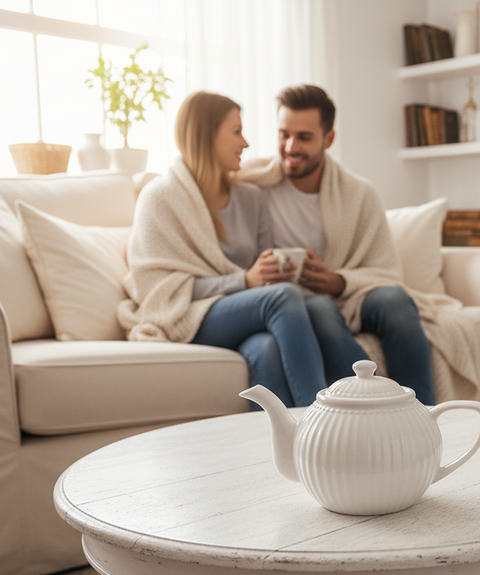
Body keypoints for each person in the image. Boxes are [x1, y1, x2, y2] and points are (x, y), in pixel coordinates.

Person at [238, 84, 480, 406]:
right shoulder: (252, 184)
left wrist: (336, 281)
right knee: (320, 309)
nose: (290, 147)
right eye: (284, 134)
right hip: (297, 304)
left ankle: (423, 414)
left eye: (304, 137)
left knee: (395, 301)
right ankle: (383, 405)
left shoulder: (359, 193)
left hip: (350, 294)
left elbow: (386, 271)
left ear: (329, 139)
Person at [117, 90, 327, 408]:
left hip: (245, 315)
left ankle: (279, 453)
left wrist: (277, 270)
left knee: (266, 349)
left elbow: (264, 269)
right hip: (191, 314)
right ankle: (323, 426)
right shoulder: (160, 198)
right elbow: (160, 291)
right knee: (284, 298)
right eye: (237, 132)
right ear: (206, 136)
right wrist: (244, 281)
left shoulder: (252, 197)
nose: (245, 143)